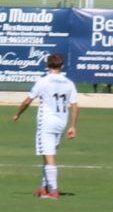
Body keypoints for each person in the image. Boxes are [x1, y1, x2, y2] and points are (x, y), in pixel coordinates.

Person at [13, 53, 79, 200]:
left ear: (48, 66)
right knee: (47, 153)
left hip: (47, 122)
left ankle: (54, 191)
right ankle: (43, 188)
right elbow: (75, 106)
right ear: (62, 66)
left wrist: (18, 114)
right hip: (62, 122)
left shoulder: (43, 81)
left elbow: (27, 101)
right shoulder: (69, 83)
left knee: (49, 156)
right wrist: (73, 126)